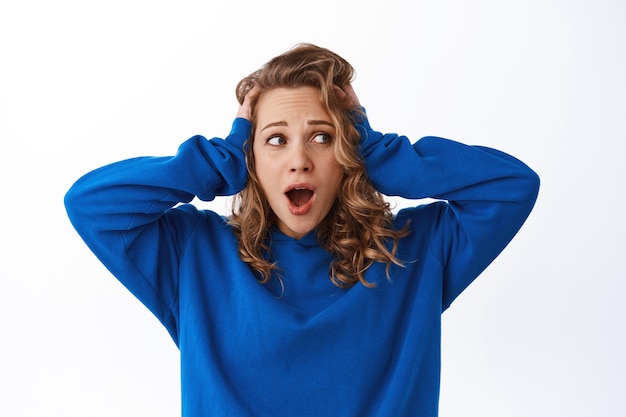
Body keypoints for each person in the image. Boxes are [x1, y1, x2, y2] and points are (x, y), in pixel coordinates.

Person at [65, 43, 539, 416]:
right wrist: (222, 159)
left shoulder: (414, 251)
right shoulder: (194, 255)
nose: (298, 160)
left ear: (346, 154)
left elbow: (512, 187)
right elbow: (92, 204)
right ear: (252, 158)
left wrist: (376, 152)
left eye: (322, 137)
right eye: (275, 140)